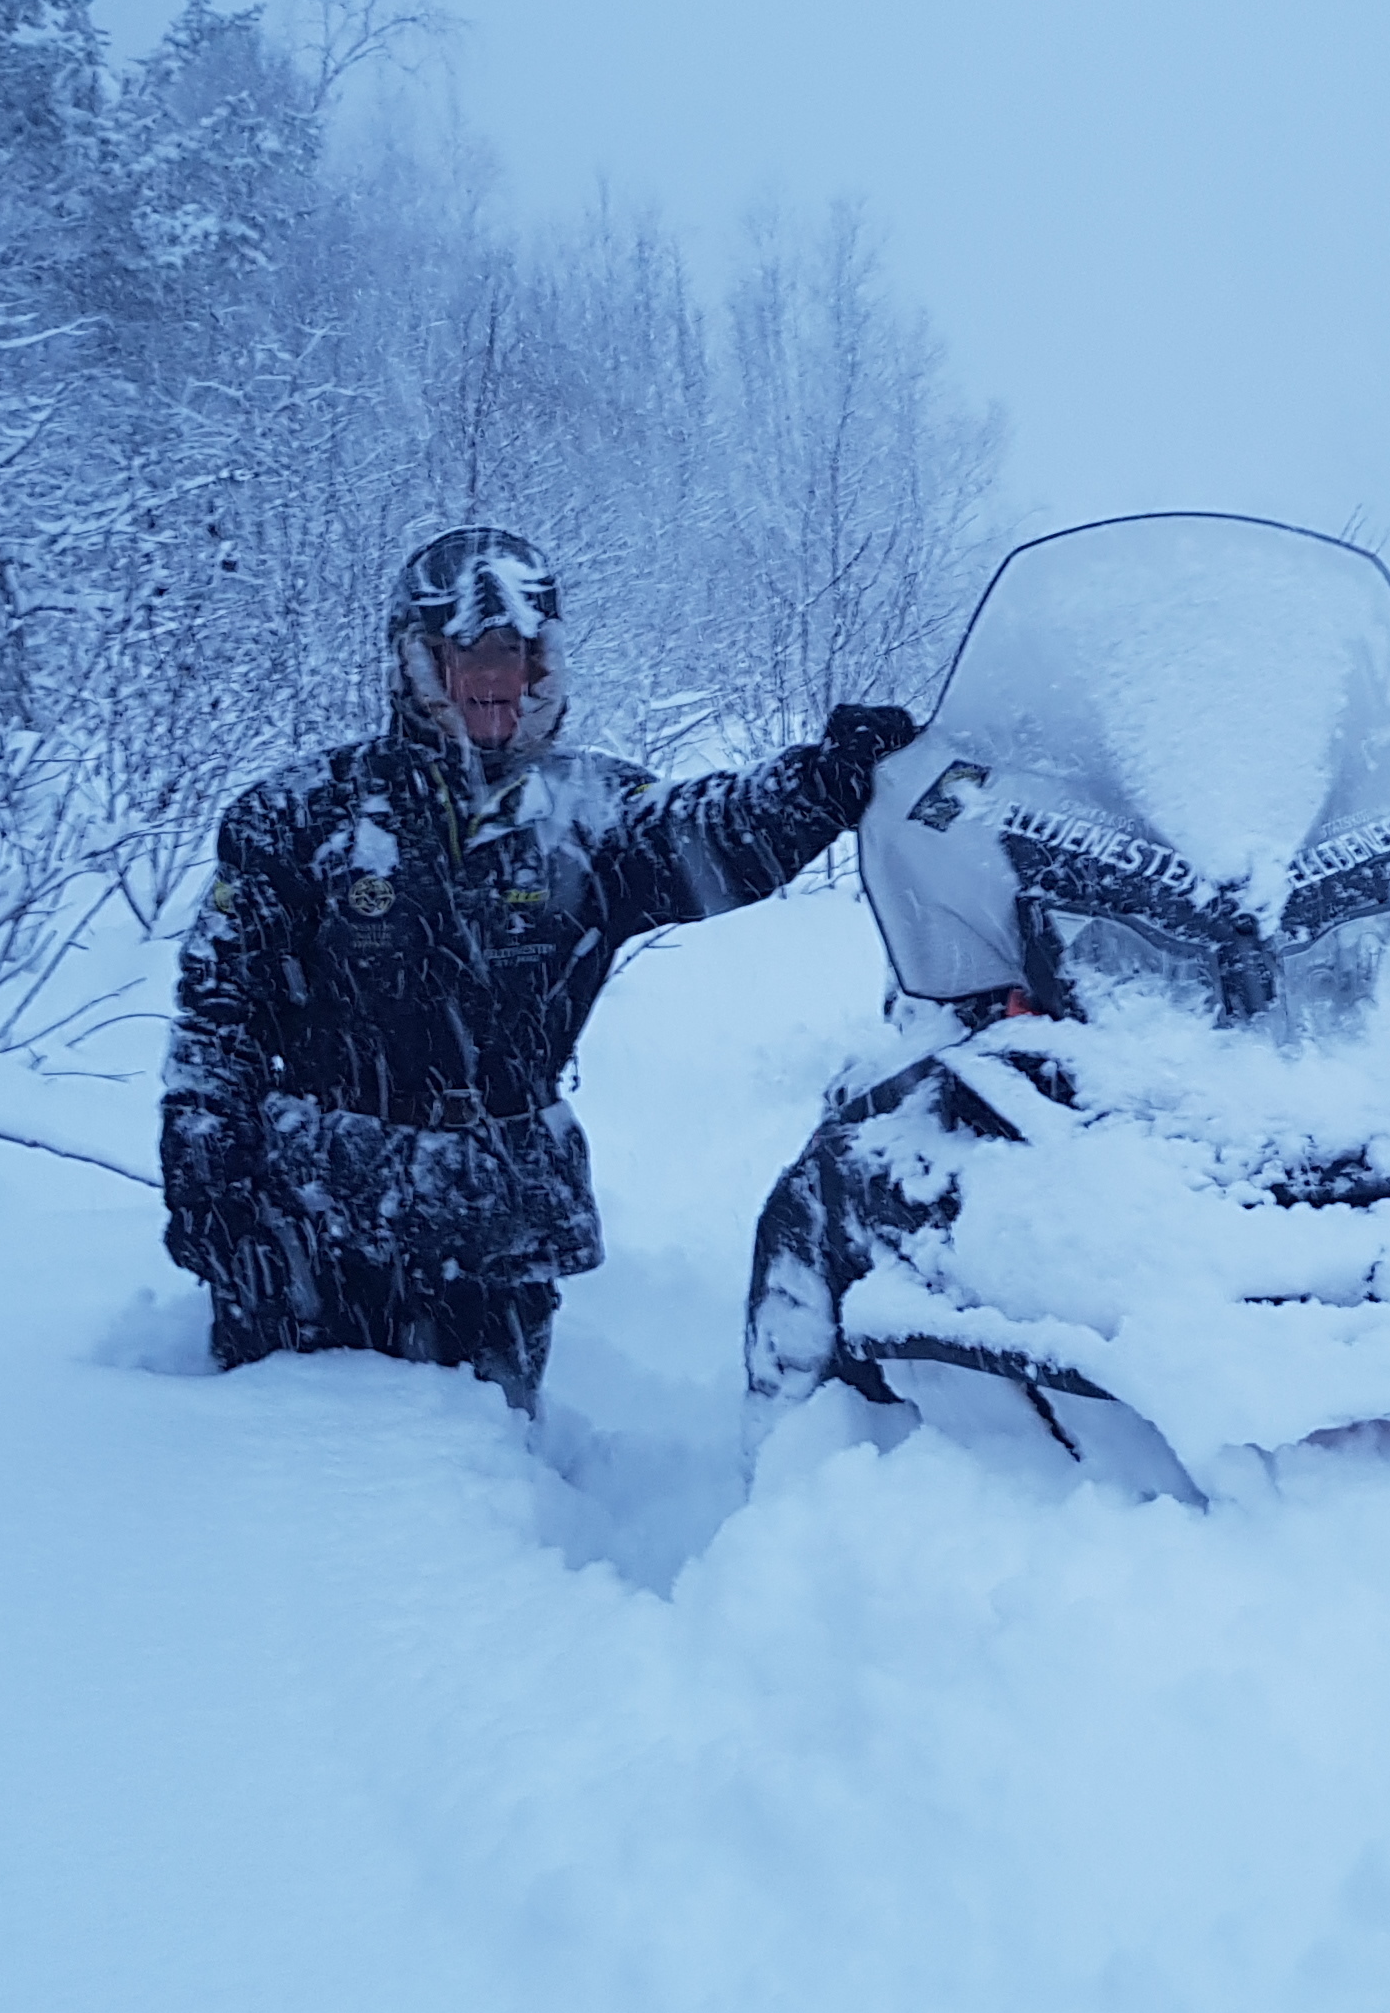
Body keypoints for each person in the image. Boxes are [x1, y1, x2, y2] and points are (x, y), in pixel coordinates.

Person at [160, 526, 919, 1403]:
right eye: (468, 655)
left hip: (496, 1212)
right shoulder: (297, 816)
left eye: (516, 655)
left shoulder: (593, 812)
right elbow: (218, 1015)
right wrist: (204, 1166)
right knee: (282, 1452)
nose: (496, 680)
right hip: (308, 1212)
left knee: (475, 1460)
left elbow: (715, 831)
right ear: (418, 663)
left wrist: (821, 783)